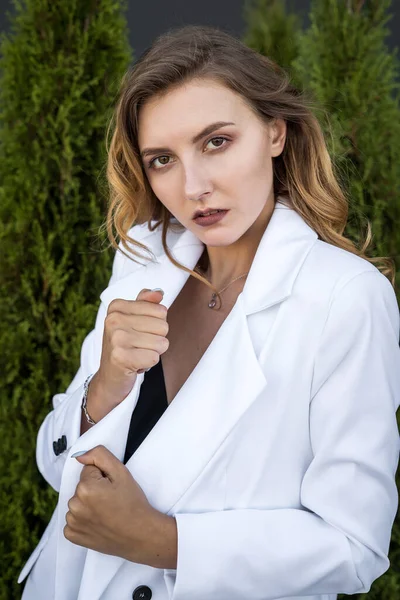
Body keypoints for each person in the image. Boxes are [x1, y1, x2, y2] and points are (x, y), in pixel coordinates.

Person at [19, 24, 400, 600]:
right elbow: (60, 472)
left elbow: (354, 547)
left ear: (275, 132)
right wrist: (106, 384)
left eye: (216, 141)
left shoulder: (344, 297)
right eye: (162, 159)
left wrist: (161, 541)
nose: (192, 185)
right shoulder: (145, 258)